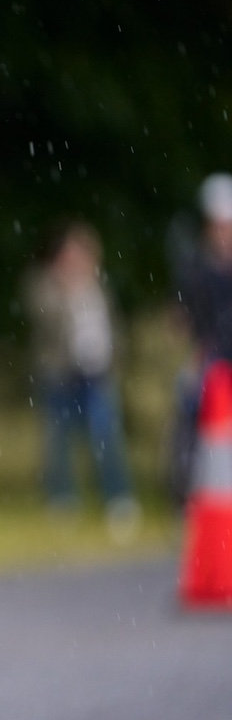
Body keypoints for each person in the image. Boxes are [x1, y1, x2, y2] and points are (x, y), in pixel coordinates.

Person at [22, 219, 139, 536]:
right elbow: (47, 321)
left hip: (97, 375)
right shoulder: (45, 284)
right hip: (62, 374)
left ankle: (118, 499)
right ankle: (62, 502)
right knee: (58, 442)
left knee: (106, 438)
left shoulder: (98, 286)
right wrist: (69, 290)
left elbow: (112, 328)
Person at [166, 172, 232, 506]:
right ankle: (185, 490)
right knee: (191, 416)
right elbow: (184, 317)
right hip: (210, 356)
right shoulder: (194, 266)